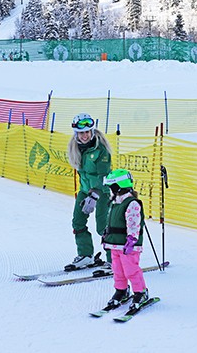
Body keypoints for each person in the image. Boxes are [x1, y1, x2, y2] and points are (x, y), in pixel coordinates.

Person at [66, 112, 112, 270]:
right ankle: (85, 255)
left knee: (103, 227)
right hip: (85, 191)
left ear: (92, 131)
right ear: (76, 133)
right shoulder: (76, 148)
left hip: (102, 192)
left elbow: (103, 176)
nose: (85, 135)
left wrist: (94, 196)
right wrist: (87, 194)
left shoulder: (101, 151)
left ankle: (114, 259)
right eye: (81, 132)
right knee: (77, 222)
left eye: (87, 132)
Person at [101, 169, 151, 311]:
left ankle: (140, 292)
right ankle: (121, 291)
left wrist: (131, 239)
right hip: (115, 243)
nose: (110, 189)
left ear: (119, 186)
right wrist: (106, 236)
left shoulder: (132, 203)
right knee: (117, 270)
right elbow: (111, 222)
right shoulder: (115, 202)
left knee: (131, 270)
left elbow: (134, 224)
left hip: (128, 245)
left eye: (112, 186)